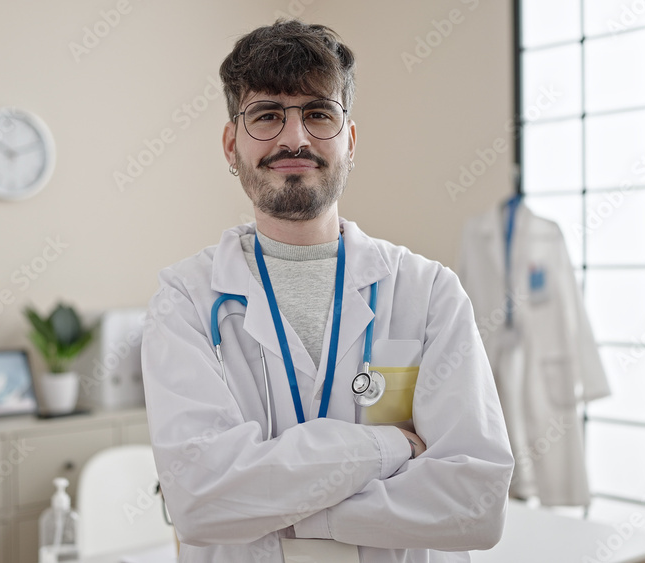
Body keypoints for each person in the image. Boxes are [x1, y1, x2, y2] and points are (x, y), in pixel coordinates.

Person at [141, 20, 513, 562]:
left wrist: (277, 509)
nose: (294, 138)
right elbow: (199, 501)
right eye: (267, 115)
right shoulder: (185, 301)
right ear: (231, 144)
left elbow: (475, 503)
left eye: (319, 113)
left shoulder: (428, 292)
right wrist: (390, 447)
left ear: (350, 139)